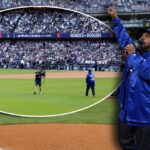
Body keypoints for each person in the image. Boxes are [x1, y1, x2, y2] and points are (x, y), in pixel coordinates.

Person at [108, 7, 150, 150]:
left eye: (146, 36)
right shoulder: (137, 55)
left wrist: (132, 56)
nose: (141, 38)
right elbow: (125, 39)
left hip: (145, 116)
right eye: (142, 36)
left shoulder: (135, 57)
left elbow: (147, 73)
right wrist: (115, 18)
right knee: (124, 143)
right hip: (126, 113)